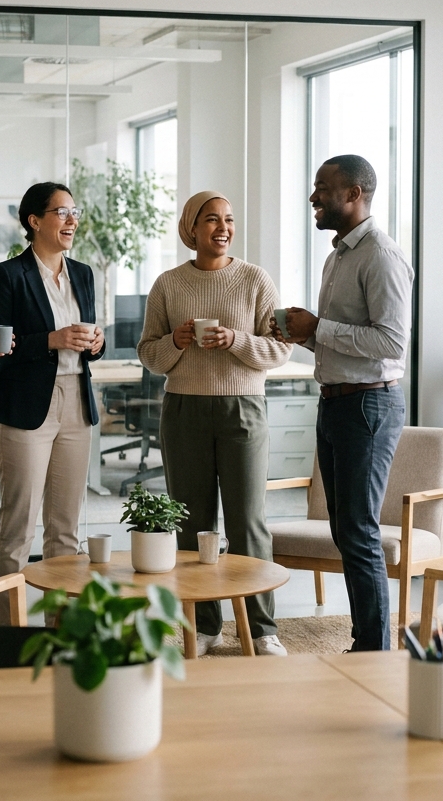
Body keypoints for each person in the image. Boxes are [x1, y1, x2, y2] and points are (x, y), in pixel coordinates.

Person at [138, 191, 291, 657]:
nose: (222, 228)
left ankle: (263, 628)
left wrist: (236, 341)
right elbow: (149, 354)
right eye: (211, 220)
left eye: (228, 220)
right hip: (183, 409)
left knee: (247, 522)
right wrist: (177, 342)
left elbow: (280, 349)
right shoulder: (168, 284)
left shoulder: (255, 280)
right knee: (191, 524)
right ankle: (203, 626)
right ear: (191, 228)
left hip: (243, 407)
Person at [274, 154, 413, 652]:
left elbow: (392, 343)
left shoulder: (381, 255)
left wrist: (320, 328)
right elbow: (341, 340)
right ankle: (368, 641)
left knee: (357, 531)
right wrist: (302, 335)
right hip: (335, 403)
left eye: (323, 188)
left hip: (368, 407)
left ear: (354, 194)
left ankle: (374, 648)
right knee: (343, 528)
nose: (314, 197)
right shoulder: (338, 257)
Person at [0, 182, 105, 625]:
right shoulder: (8, 275)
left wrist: (97, 342)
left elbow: (91, 342)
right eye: (62, 212)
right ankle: (9, 631)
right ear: (35, 221)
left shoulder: (84, 274)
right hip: (27, 407)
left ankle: (63, 630)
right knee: (18, 528)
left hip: (76, 403)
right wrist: (51, 340)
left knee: (65, 529)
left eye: (75, 212)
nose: (72, 220)